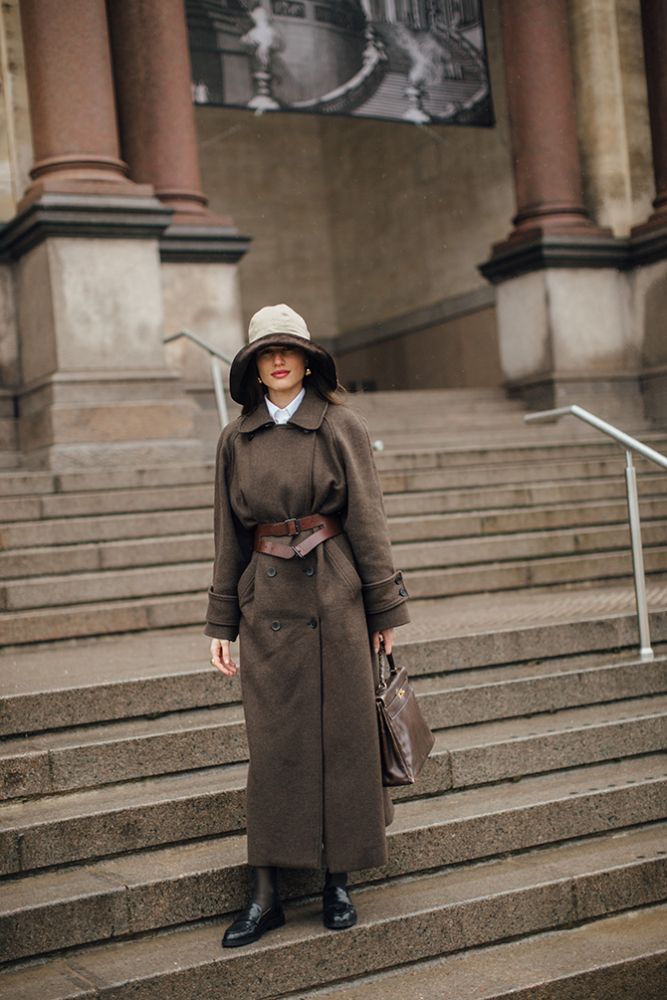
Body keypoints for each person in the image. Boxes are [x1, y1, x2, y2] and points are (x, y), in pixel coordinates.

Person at [204, 303, 410, 948]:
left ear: (309, 359)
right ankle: (264, 894)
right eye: (266, 353)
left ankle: (337, 881)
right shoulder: (235, 438)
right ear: (253, 368)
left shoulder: (341, 425)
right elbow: (227, 535)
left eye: (288, 350)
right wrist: (221, 621)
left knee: (345, 738)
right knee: (273, 747)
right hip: (265, 605)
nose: (279, 361)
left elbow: (369, 520)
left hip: (337, 596)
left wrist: (384, 608)